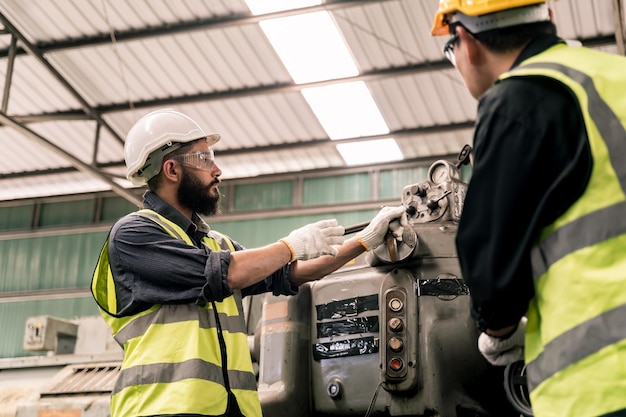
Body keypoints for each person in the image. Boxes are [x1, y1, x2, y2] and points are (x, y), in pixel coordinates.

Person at [91, 108, 407, 417]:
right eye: (204, 159)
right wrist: (291, 244)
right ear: (172, 170)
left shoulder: (219, 244)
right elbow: (219, 273)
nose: (217, 170)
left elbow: (290, 274)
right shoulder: (135, 234)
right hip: (162, 408)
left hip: (231, 409)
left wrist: (366, 240)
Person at [430, 1, 626, 416]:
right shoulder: (614, 76)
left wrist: (498, 333)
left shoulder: (518, 98)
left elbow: (491, 267)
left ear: (465, 41)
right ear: (548, 20)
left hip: (602, 379)